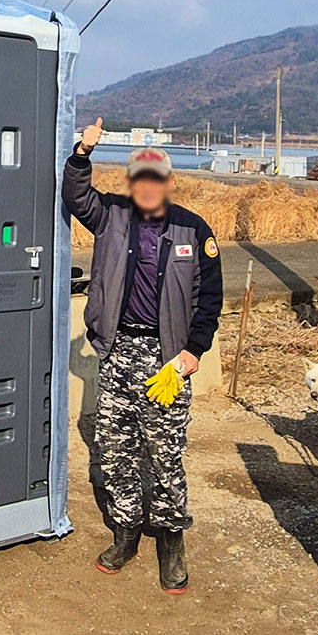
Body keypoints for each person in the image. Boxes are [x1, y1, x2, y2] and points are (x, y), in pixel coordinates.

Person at [62, 118, 223, 593]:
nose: (148, 188)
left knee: (165, 453)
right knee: (115, 450)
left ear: (169, 183)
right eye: (140, 179)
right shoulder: (111, 214)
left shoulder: (193, 229)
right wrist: (82, 152)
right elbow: (76, 197)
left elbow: (209, 299)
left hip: (167, 358)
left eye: (156, 179)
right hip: (118, 352)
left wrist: (194, 350)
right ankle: (126, 532)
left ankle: (171, 543)